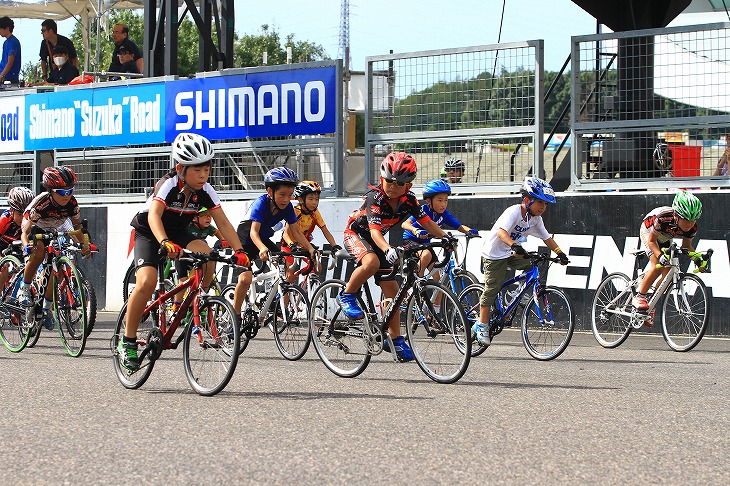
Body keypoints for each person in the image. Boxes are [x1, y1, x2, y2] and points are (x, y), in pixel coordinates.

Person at [120, 133, 249, 371]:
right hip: (150, 231)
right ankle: (127, 341)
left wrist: (239, 249)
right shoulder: (168, 183)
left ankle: (197, 302)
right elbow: (154, 216)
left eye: (207, 170)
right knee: (147, 282)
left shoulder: (206, 190)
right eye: (197, 170)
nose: (203, 175)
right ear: (181, 168)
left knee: (208, 255)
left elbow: (223, 222)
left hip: (179, 231)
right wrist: (165, 241)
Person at [338, 152, 450, 361]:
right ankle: (347, 295)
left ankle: (396, 339)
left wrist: (445, 237)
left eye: (398, 183)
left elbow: (426, 222)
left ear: (408, 186)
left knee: (393, 291)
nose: (391, 185)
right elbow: (374, 232)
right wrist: (388, 249)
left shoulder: (409, 201)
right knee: (371, 262)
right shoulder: (376, 197)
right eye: (388, 180)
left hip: (377, 239)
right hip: (356, 233)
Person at [473, 176, 569, 346]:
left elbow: (547, 238)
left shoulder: (535, 219)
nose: (543, 207)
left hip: (511, 252)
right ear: (527, 200)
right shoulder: (514, 212)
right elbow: (501, 233)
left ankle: (519, 293)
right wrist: (513, 245)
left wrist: (560, 252)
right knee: (492, 289)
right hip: (494, 255)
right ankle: (481, 325)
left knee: (533, 264)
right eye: (540, 202)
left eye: (545, 204)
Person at [231, 168, 316, 320]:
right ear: (270, 191)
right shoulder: (261, 203)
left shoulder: (287, 207)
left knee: (285, 266)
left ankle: (272, 304)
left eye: (289, 195)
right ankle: (234, 316)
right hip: (246, 239)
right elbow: (253, 233)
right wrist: (262, 249)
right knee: (245, 279)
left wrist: (310, 248)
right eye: (282, 195)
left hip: (263, 239)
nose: (285, 199)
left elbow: (296, 232)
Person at [17, 167, 95, 331]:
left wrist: (84, 244)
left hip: (59, 223)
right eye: (61, 192)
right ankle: (24, 288)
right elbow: (25, 232)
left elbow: (77, 226)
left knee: (57, 265)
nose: (66, 196)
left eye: (70, 191)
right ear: (50, 191)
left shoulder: (71, 202)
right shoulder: (42, 203)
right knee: (38, 252)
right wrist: (26, 246)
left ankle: (47, 307)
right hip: (36, 225)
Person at [631, 190, 705, 319]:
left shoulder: (692, 228)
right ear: (676, 215)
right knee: (656, 266)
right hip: (650, 232)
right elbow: (652, 241)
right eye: (686, 220)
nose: (689, 225)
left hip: (665, 236)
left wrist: (698, 260)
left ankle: (651, 302)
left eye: (693, 221)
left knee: (668, 276)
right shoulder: (663, 218)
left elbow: (686, 247)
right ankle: (639, 296)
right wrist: (659, 255)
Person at [402, 179, 478, 278]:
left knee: (437, 277)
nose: (443, 204)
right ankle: (414, 285)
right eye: (440, 200)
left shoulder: (445, 214)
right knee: (426, 255)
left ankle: (424, 288)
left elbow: (460, 227)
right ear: (429, 200)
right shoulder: (422, 211)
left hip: (426, 245)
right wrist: (415, 230)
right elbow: (405, 224)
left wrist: (470, 231)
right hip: (410, 241)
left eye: (446, 200)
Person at [281, 180, 341, 283]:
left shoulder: (314, 213)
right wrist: (292, 245)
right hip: (289, 245)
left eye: (317, 199)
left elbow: (325, 231)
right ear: (300, 199)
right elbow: (286, 234)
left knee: (318, 269)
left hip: (304, 243)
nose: (314, 202)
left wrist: (334, 246)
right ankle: (288, 292)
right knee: (289, 276)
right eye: (311, 199)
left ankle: (302, 288)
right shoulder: (295, 211)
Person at [0, 186, 34, 290]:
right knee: (3, 268)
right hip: (2, 249)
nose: (24, 219)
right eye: (20, 214)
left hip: (20, 249)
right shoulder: (5, 220)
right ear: (11, 210)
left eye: (26, 215)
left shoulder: (32, 221)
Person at [0, 17, 20, 85]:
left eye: (0, 29)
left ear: (7, 28)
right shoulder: (6, 42)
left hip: (10, 78)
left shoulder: (12, 42)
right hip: (4, 77)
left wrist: (1, 75)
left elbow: (10, 62)